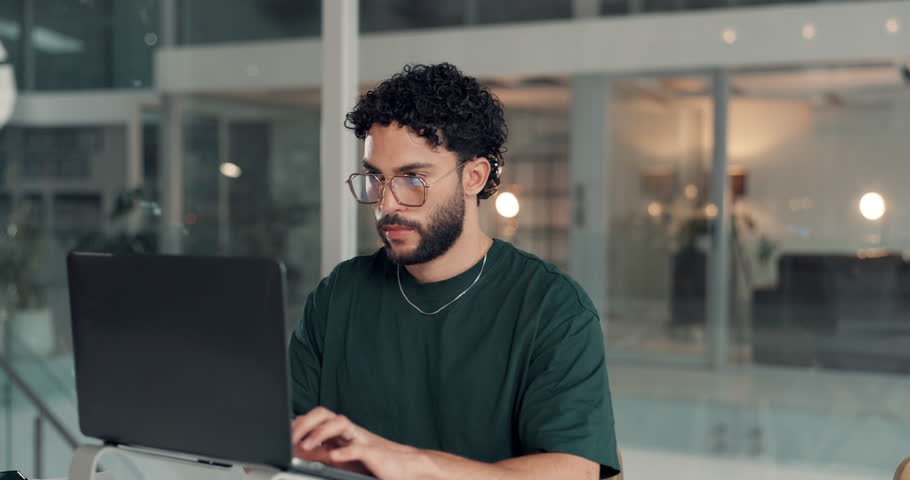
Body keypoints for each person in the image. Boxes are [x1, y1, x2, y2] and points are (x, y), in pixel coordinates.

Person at [288, 63, 620, 480]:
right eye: (376, 179)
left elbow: (574, 471)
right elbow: (279, 438)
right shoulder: (339, 293)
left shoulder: (552, 307)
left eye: (412, 179)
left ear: (474, 176)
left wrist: (411, 464)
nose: (387, 205)